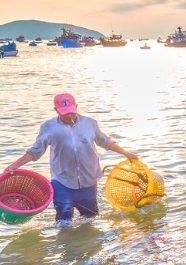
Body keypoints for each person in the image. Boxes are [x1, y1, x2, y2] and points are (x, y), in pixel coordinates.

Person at [3, 93, 138, 224]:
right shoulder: (49, 127)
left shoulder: (89, 123)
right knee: (64, 221)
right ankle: (64, 245)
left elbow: (105, 142)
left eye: (71, 111)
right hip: (62, 181)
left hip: (89, 180)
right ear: (56, 110)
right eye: (64, 112)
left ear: (77, 107)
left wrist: (126, 153)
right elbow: (36, 151)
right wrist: (16, 164)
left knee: (90, 218)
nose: (69, 115)